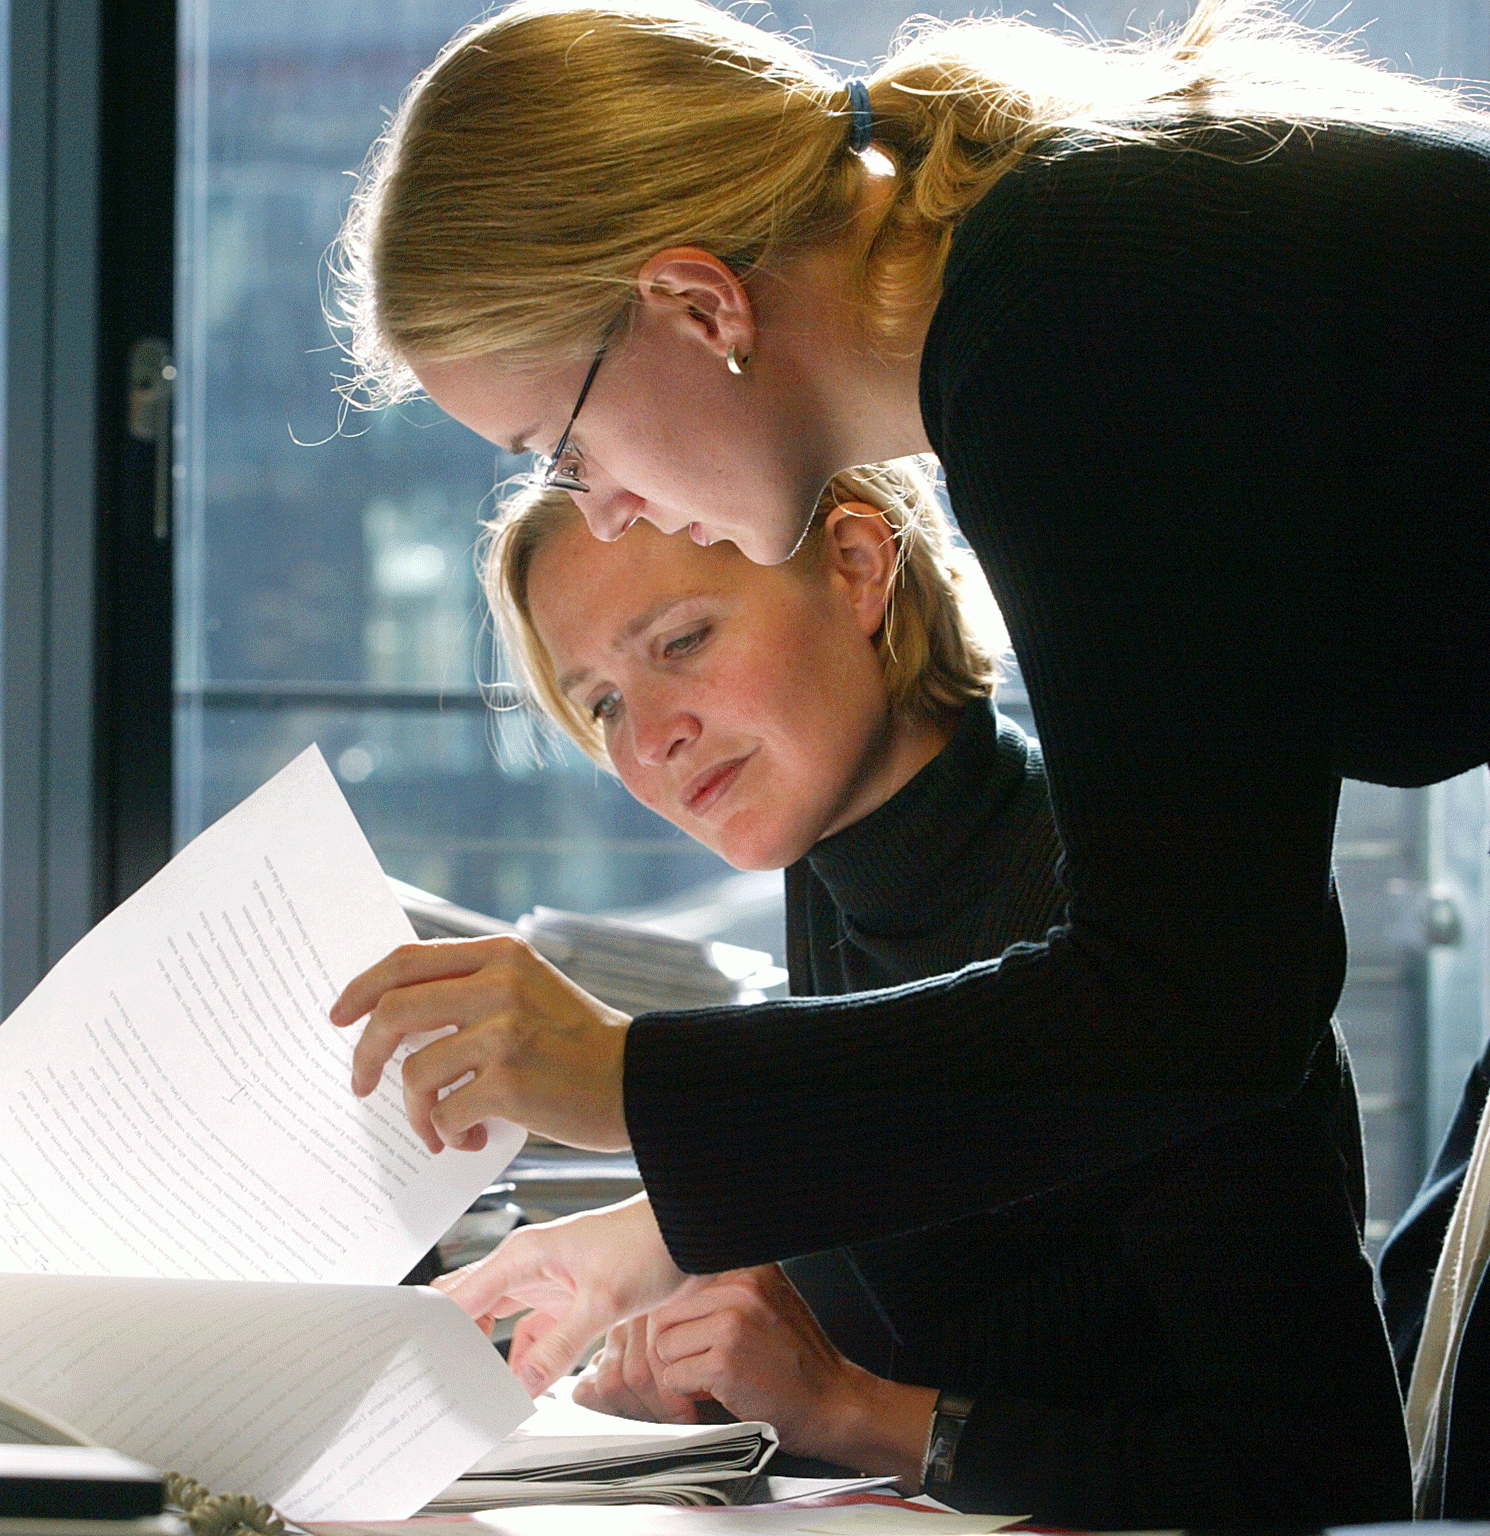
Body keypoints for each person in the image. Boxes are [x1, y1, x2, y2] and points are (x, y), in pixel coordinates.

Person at [320, 5, 1489, 1501]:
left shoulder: (1070, 314)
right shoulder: (1062, 268)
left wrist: (633, 1084)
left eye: (561, 444)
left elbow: (1202, 995)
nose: (600, 509)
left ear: (694, 303)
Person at [474, 468, 1403, 1524]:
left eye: (681, 641)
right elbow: (960, 1195)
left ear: (859, 568)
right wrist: (719, 1289)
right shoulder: (831, 865)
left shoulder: (1117, 922)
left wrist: (846, 1408)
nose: (647, 740)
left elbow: (1324, 1474)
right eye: (598, 702)